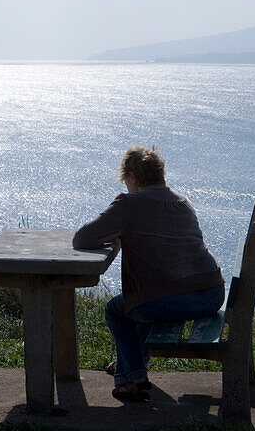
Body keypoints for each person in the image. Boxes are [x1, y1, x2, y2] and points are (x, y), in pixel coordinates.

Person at [72, 146, 224, 402]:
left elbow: (82, 238)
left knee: (120, 310)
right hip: (212, 294)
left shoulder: (129, 204)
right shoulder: (182, 200)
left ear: (131, 177)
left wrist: (116, 233)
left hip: (172, 300)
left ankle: (133, 379)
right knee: (143, 303)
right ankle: (131, 365)